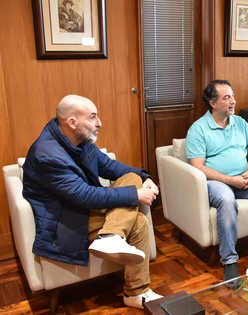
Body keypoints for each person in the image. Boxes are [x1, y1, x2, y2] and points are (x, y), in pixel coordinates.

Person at [22, 95, 162, 309]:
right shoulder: (48, 156)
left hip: (83, 209)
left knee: (132, 179)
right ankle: (136, 291)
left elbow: (111, 167)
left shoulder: (79, 139)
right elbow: (84, 195)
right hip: (66, 220)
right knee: (139, 222)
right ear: (72, 122)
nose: (100, 123)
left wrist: (145, 177)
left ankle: (111, 236)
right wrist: (136, 195)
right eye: (93, 117)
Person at [186, 80, 248, 289]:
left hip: (245, 178)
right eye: (227, 97)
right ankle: (230, 261)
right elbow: (198, 167)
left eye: (233, 95)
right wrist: (229, 180)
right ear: (212, 103)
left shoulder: (240, 123)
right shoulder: (198, 129)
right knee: (226, 198)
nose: (233, 101)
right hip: (216, 182)